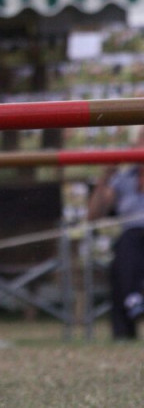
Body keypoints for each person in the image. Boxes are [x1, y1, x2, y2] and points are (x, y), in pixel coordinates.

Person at [87, 126, 144, 340]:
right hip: (132, 238)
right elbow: (93, 216)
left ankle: (134, 298)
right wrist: (106, 176)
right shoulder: (124, 179)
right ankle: (129, 313)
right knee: (125, 249)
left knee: (127, 249)